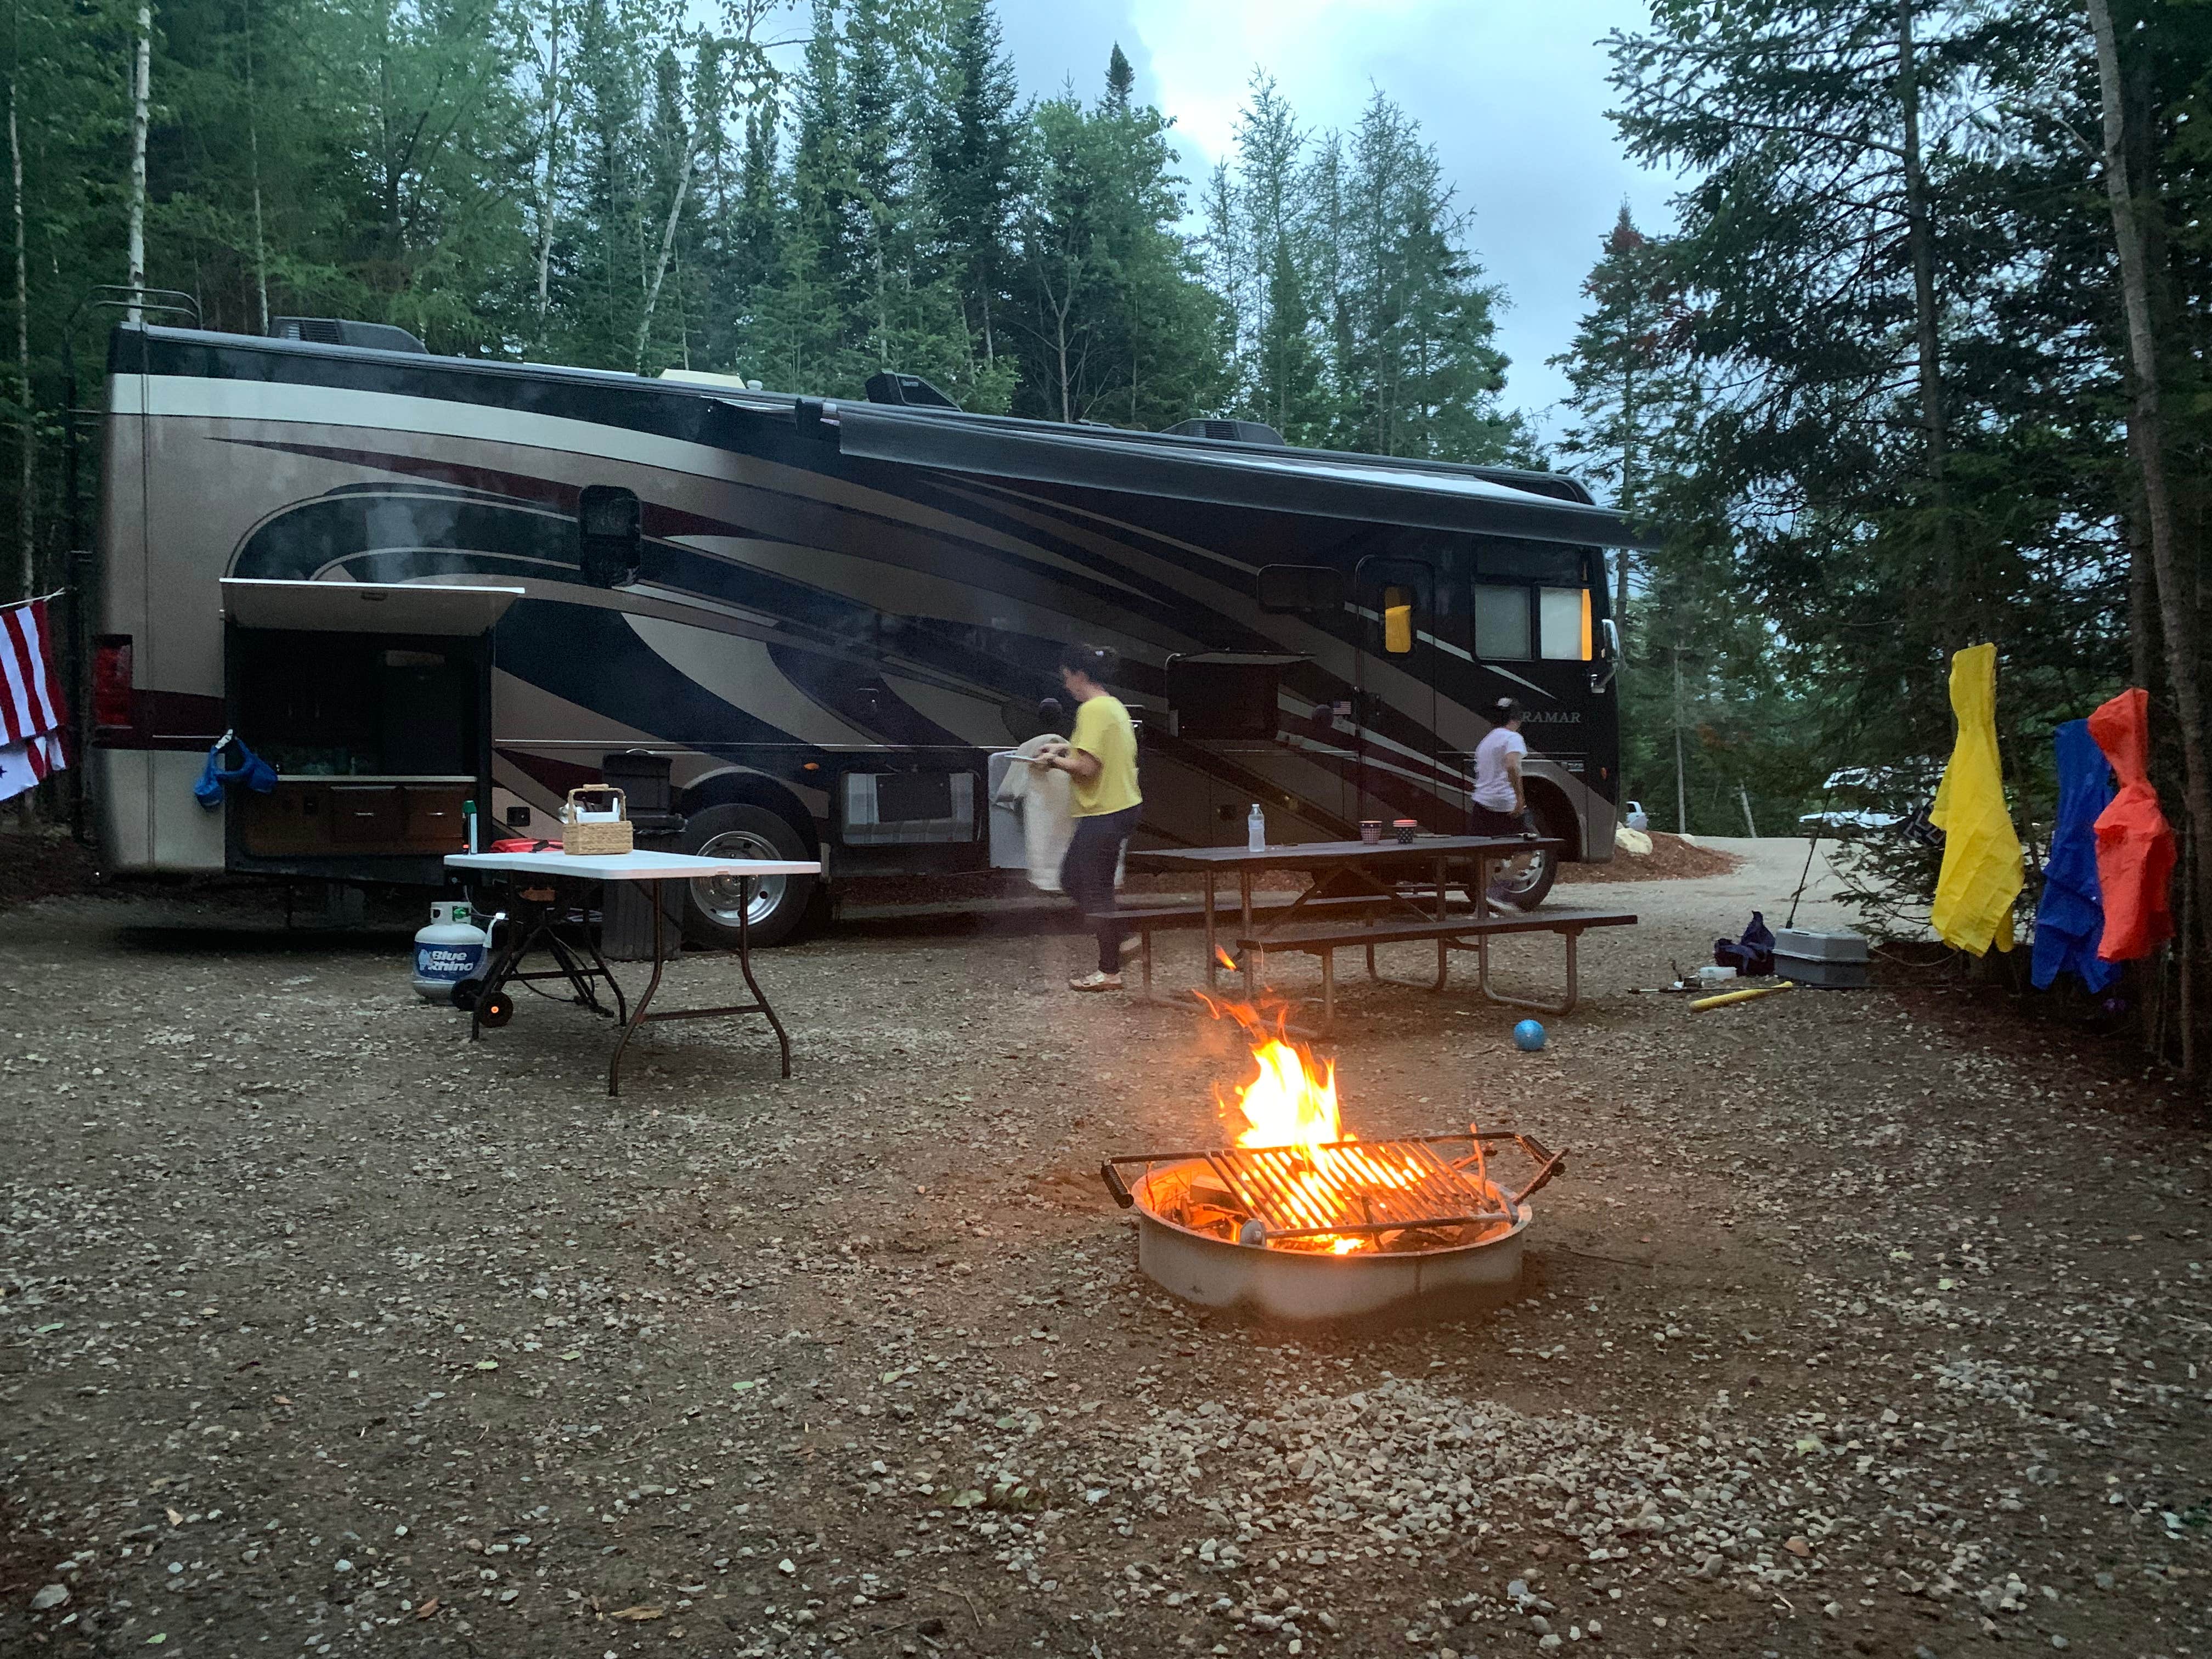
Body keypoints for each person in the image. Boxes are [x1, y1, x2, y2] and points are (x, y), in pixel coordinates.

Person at [1035, 644, 1143, 991]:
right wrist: (1062, 749)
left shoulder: (1093, 710)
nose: (1065, 684)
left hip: (1105, 811)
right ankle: (1123, 939)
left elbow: (1087, 766)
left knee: (1086, 885)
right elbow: (1093, 752)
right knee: (1083, 883)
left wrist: (1053, 762)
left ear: (1080, 675)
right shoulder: (1112, 705)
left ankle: (1110, 970)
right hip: (1119, 807)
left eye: (1066, 677)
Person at [1470, 697, 1537, 909]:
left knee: (1486, 856)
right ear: (1517, 720)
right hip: (1505, 804)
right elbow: (1512, 766)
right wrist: (1520, 798)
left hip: (1482, 803)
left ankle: (1481, 905)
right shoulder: (1513, 738)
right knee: (1529, 850)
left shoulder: (1487, 740)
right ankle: (1498, 893)